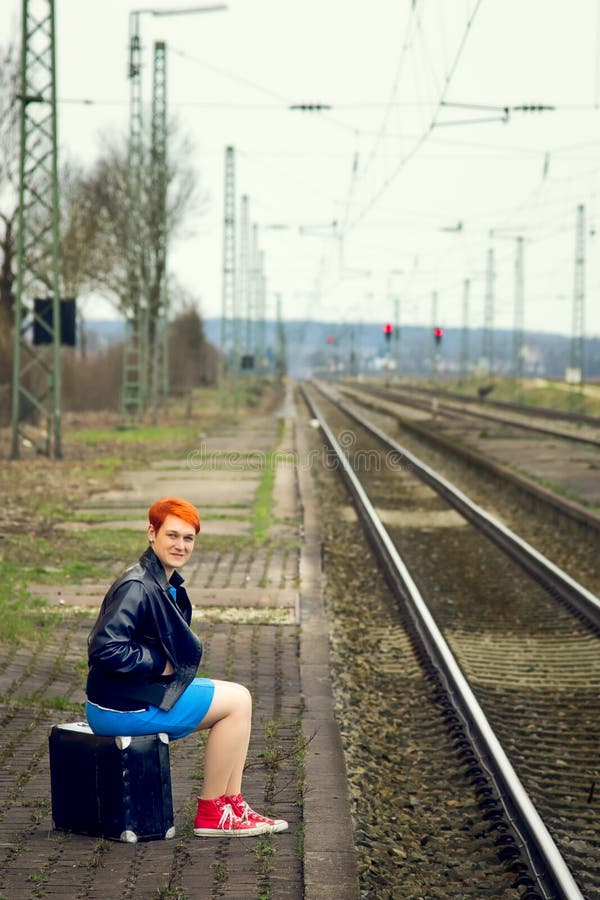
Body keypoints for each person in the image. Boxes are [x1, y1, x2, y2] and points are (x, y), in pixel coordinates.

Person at [85, 496, 287, 837]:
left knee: (240, 696)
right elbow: (104, 647)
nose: (180, 545)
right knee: (236, 704)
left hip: (131, 696)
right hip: (120, 707)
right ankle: (213, 811)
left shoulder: (161, 580)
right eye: (172, 535)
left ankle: (230, 804)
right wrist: (157, 663)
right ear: (152, 533)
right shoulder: (137, 586)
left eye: (188, 538)